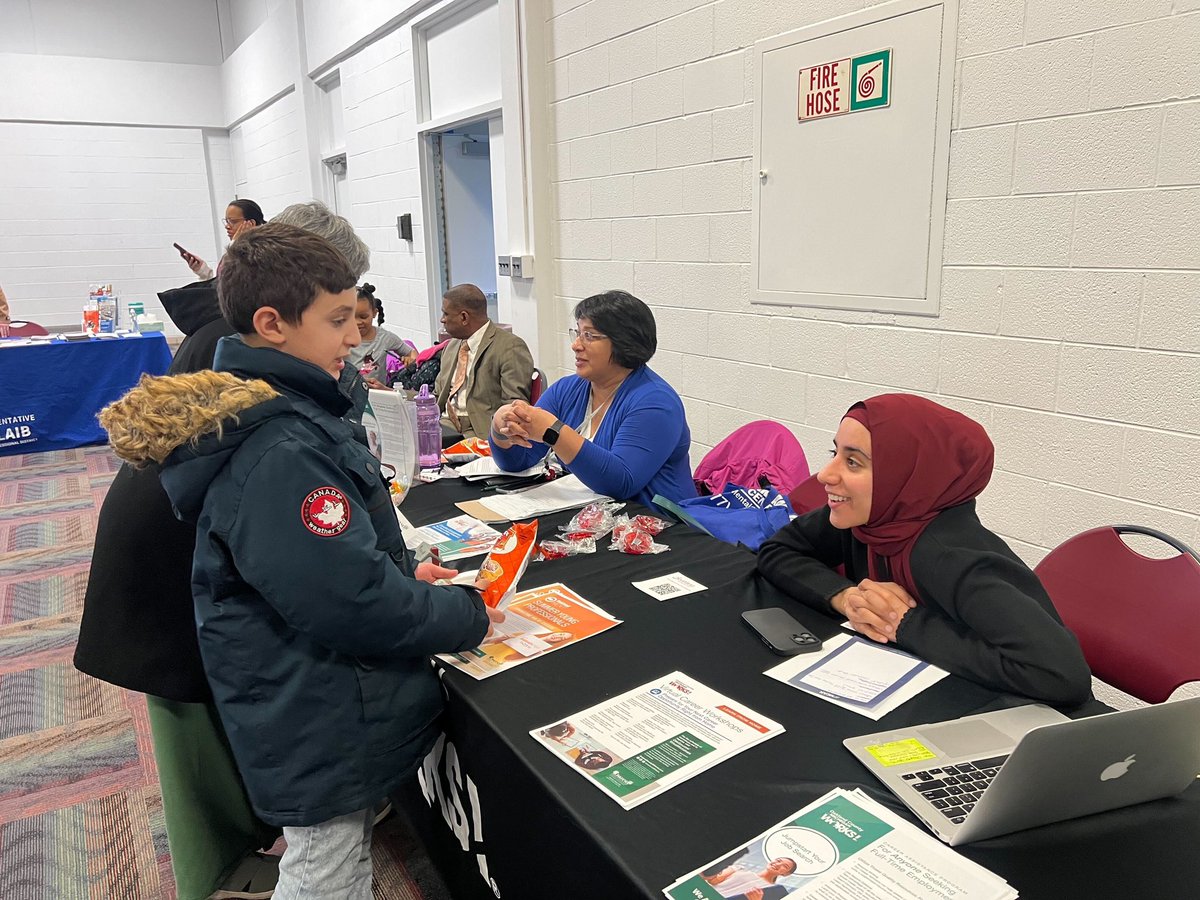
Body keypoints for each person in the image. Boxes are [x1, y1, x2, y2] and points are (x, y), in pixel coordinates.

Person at [99, 223, 501, 899]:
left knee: (329, 856)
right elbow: (350, 601)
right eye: (338, 319)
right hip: (316, 703)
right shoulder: (282, 449)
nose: (354, 336)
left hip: (306, 690)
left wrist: (400, 574)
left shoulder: (283, 411)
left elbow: (323, 566)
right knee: (326, 867)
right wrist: (464, 613)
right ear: (272, 324)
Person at [74, 202, 375, 900]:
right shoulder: (233, 346)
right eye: (338, 315)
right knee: (194, 754)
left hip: (187, 540)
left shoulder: (235, 330)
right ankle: (227, 867)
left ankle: (256, 842)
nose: (353, 332)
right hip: (165, 558)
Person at [756, 394, 1092, 707]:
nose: (826, 475)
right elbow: (777, 550)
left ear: (906, 475)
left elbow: (1062, 677)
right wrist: (846, 598)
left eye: (854, 462)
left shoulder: (953, 559)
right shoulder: (873, 520)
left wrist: (902, 623)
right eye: (835, 454)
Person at [490, 290, 697, 509]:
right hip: (598, 520)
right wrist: (500, 427)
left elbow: (621, 483)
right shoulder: (567, 389)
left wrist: (553, 432)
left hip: (660, 528)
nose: (576, 345)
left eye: (589, 336)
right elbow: (519, 462)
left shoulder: (656, 403)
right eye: (577, 333)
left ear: (623, 342)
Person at [433, 283, 534, 438]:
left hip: (479, 430)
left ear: (464, 317)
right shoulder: (452, 346)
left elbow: (514, 405)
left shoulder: (510, 347)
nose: (442, 320)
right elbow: (437, 394)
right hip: (445, 424)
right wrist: (396, 395)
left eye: (446, 314)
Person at [176, 198, 266, 280]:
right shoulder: (239, 250)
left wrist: (235, 243)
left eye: (233, 221)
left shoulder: (261, 251)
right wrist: (204, 272)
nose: (227, 226)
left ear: (251, 223)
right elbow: (221, 286)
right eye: (227, 221)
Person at [349, 283, 415, 388]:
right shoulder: (342, 338)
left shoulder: (384, 338)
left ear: (374, 313)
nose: (357, 322)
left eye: (363, 317)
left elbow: (412, 353)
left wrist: (410, 360)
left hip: (378, 396)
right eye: (352, 317)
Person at [703, 857, 797, 900]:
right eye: (778, 860)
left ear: (786, 874)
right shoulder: (740, 868)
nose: (778, 864)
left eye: (785, 866)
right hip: (704, 894)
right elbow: (713, 881)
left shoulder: (772, 891)